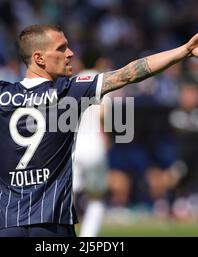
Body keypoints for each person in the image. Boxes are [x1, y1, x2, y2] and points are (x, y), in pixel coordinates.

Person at [0, 20, 198, 237]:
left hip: (7, 226)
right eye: (62, 49)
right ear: (39, 58)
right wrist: (184, 51)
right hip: (51, 226)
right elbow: (129, 74)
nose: (70, 54)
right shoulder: (69, 90)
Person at [72, 48, 111, 237]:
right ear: (100, 61)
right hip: (94, 145)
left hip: (72, 147)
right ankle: (88, 238)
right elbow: (103, 114)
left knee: (66, 197)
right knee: (96, 197)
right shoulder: (103, 81)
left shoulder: (73, 80)